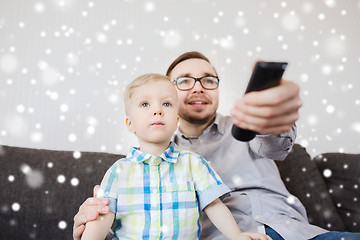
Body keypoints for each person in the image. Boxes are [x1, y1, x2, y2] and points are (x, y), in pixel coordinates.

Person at [74, 52, 360, 240]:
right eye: (184, 81)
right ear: (168, 94)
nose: (198, 87)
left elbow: (276, 145)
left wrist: (272, 118)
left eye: (208, 80)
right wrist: (94, 225)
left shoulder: (246, 125)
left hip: (293, 233)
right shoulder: (140, 167)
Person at [80, 73, 272, 240]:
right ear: (130, 124)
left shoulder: (193, 164)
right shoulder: (118, 171)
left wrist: (236, 236)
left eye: (167, 104)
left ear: (176, 121)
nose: (158, 110)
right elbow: (103, 215)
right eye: (145, 104)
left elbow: (213, 205)